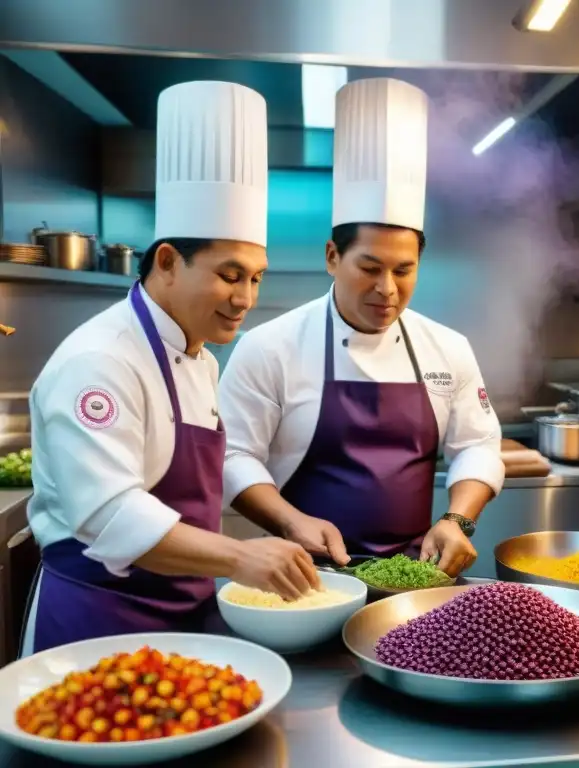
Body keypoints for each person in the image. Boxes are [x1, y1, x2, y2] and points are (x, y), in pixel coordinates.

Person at [22, 81, 321, 657]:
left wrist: (285, 524)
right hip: (97, 628)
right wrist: (240, 556)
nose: (246, 298)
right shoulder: (99, 361)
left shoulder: (199, 357)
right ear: (166, 261)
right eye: (230, 275)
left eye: (257, 278)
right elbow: (110, 515)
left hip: (187, 615)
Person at [217, 78, 504, 577]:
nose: (388, 289)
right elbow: (232, 455)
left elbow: (478, 445)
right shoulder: (270, 347)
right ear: (332, 257)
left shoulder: (448, 348)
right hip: (301, 574)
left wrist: (459, 519)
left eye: (404, 270)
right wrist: (289, 521)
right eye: (370, 269)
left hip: (413, 579)